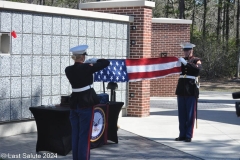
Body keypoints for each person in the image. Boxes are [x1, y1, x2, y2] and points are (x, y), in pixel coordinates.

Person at [65, 45, 110, 160]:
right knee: (84, 135)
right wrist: (95, 61)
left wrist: (89, 65)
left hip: (74, 104)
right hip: (85, 103)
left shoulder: (68, 69)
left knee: (75, 134)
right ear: (83, 57)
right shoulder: (86, 68)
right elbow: (106, 63)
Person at [175, 42, 202, 142]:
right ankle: (182, 134)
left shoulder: (196, 60)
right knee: (181, 114)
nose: (185, 52)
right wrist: (178, 63)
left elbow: (197, 70)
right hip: (181, 89)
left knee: (190, 114)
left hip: (191, 90)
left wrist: (186, 63)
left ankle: (188, 135)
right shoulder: (181, 60)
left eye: (187, 50)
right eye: (184, 50)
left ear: (191, 50)